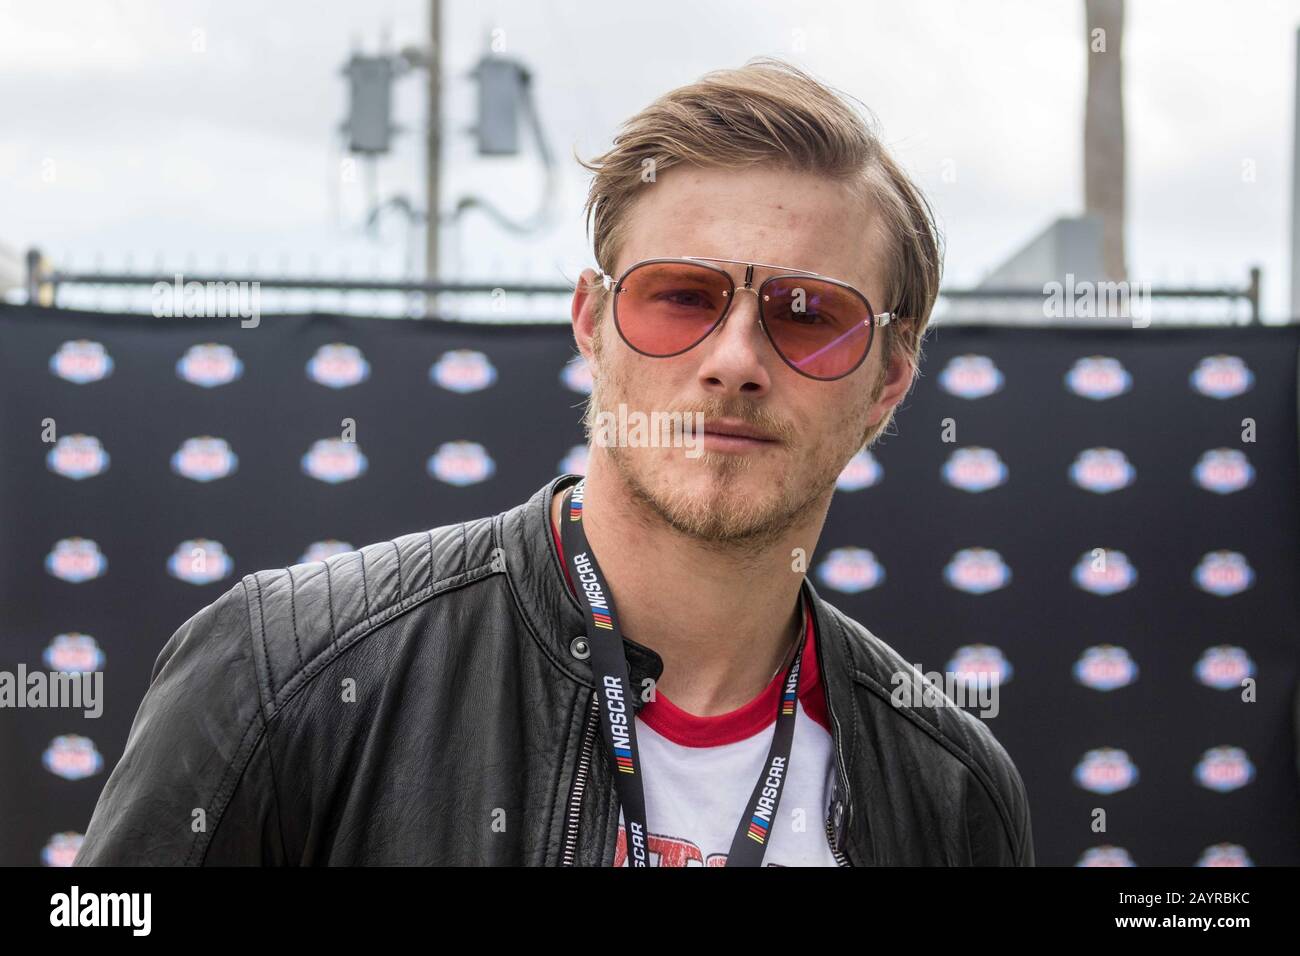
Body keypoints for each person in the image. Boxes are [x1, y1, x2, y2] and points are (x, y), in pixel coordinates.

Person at [76, 57, 1033, 866]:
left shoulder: (952, 792)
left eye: (808, 315)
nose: (736, 361)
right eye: (681, 297)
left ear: (890, 380)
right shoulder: (291, 674)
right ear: (592, 324)